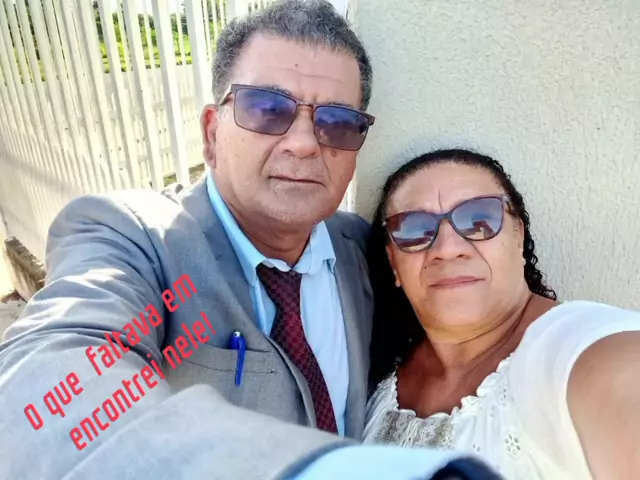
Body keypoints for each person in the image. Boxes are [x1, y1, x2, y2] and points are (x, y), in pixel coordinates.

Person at [0, 2, 500, 479]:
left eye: (336, 122)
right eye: (266, 109)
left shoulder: (359, 249)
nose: (303, 143)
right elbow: (50, 384)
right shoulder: (137, 241)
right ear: (212, 133)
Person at [363, 148, 640, 479]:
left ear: (518, 236)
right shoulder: (373, 383)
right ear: (393, 262)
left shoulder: (578, 351)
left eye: (479, 220)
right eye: (414, 229)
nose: (447, 249)